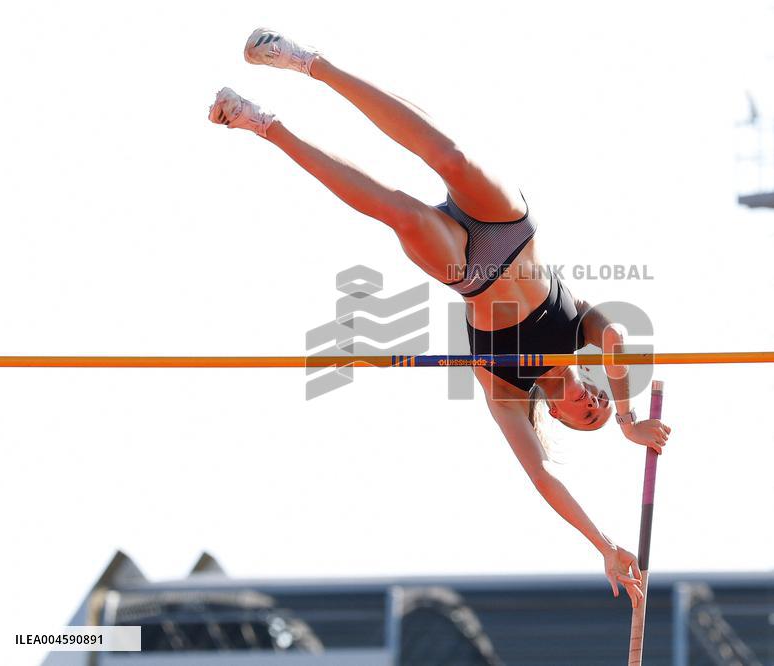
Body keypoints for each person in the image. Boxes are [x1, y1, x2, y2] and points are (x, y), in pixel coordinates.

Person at [209, 28, 672, 608]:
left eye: (586, 420)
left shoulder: (507, 390)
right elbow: (618, 337)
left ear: (556, 412)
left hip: (467, 268)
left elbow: (544, 480)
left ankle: (261, 124)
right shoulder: (583, 328)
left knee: (397, 211)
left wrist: (603, 545)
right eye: (599, 406)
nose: (594, 409)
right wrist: (628, 417)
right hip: (510, 226)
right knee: (449, 155)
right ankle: (304, 61)